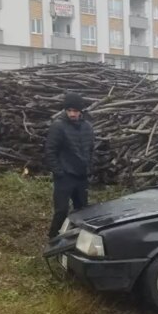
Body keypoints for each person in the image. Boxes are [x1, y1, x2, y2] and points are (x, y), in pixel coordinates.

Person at [45, 93, 94, 238]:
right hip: (64, 176)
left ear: (81, 111)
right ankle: (52, 239)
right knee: (61, 211)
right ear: (65, 110)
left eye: (75, 111)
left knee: (82, 210)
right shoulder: (58, 126)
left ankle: (76, 240)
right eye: (69, 110)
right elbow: (50, 151)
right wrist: (58, 172)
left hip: (81, 176)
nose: (72, 114)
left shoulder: (87, 127)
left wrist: (88, 167)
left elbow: (91, 149)